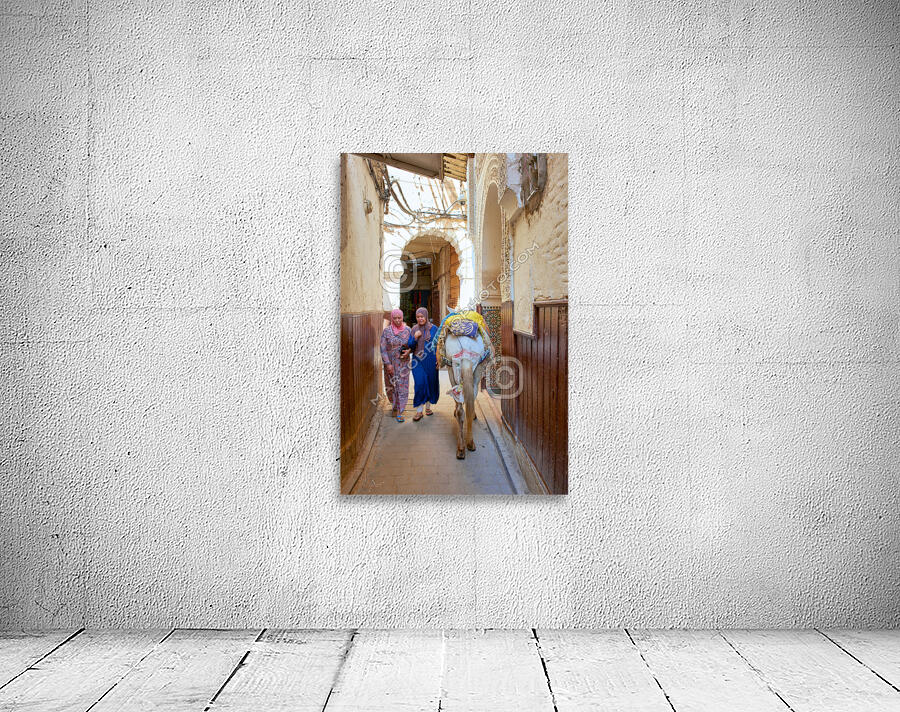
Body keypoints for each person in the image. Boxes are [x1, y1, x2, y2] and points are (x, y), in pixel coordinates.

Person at [407, 307, 440, 421]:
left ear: (426, 316)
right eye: (418, 317)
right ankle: (419, 411)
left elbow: (438, 344)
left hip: (431, 360)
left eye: (422, 316)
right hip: (417, 361)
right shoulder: (414, 329)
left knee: (430, 383)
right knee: (420, 384)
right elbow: (410, 345)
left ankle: (428, 407)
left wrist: (439, 359)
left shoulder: (434, 329)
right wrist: (415, 338)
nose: (420, 319)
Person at [380, 308, 412, 422]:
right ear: (392, 319)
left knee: (402, 386)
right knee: (391, 385)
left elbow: (413, 345)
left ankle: (400, 410)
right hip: (390, 364)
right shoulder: (387, 331)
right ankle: (394, 404)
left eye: (399, 318)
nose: (397, 320)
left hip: (403, 363)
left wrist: (409, 351)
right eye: (395, 318)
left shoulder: (408, 330)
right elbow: (382, 348)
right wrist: (388, 364)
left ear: (402, 318)